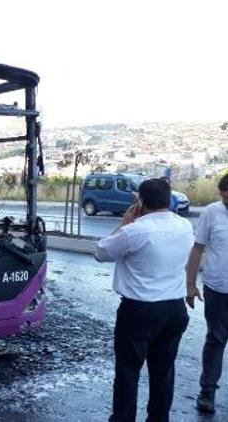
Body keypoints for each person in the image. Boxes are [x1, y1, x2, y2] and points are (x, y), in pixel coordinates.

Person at [95, 178, 194, 422]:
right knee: (163, 371)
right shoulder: (184, 226)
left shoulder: (135, 230)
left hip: (139, 311)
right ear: (169, 199)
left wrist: (125, 222)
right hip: (174, 309)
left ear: (140, 201)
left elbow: (101, 252)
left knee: (128, 371)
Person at [186, 173, 228, 414]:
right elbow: (197, 249)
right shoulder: (212, 212)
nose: (224, 201)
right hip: (217, 289)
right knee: (216, 340)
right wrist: (190, 285)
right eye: (222, 197)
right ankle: (208, 392)